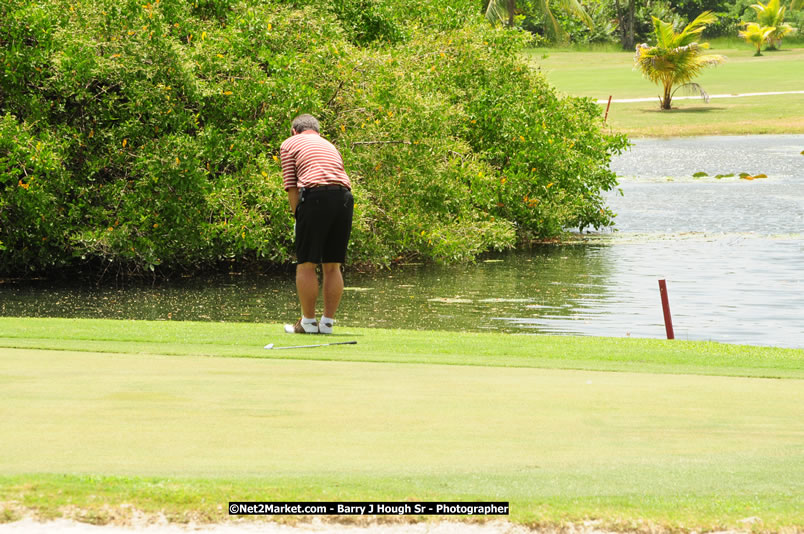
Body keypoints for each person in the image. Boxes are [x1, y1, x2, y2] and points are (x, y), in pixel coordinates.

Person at [280, 114, 354, 334]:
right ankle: (327, 324)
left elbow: (291, 186)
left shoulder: (289, 143)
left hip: (316, 197)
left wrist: (297, 217)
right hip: (344, 199)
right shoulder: (329, 144)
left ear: (294, 131)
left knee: (306, 264)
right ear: (317, 131)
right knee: (332, 265)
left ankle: (308, 323)